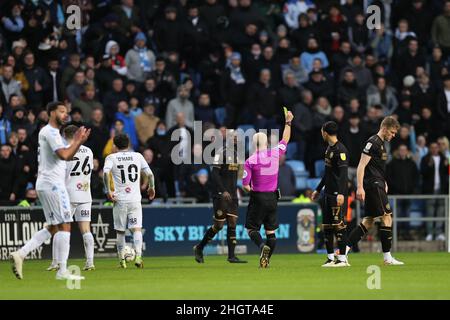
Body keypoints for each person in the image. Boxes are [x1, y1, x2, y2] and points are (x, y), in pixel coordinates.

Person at [10, 101, 91, 280]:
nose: (65, 114)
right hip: (54, 184)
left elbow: (64, 154)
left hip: (46, 183)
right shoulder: (51, 132)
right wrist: (78, 141)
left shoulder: (51, 134)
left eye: (66, 111)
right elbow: (65, 155)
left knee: (54, 226)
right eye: (61, 111)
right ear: (51, 112)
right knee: (66, 224)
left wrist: (77, 142)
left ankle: (21, 254)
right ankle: (62, 271)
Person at [346, 116, 404, 265]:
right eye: (391, 132)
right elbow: (361, 165)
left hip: (378, 183)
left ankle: (343, 250)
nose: (393, 135)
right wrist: (359, 186)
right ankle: (387, 258)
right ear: (384, 129)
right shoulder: (373, 142)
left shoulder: (382, 144)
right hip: (373, 185)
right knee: (387, 216)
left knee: (368, 221)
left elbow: (376, 167)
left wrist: (384, 181)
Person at [242, 110, 294, 268]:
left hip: (258, 197)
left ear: (253, 144)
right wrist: (288, 122)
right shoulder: (275, 154)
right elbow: (286, 138)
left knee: (252, 229)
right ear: (266, 143)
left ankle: (261, 247)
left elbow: (245, 186)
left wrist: (251, 190)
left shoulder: (250, 161)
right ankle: (266, 259)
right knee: (271, 232)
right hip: (273, 198)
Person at [47, 125, 95, 272]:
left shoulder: (65, 151)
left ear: (64, 135)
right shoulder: (88, 151)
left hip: (67, 194)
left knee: (58, 228)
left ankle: (56, 262)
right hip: (85, 194)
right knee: (86, 229)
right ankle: (90, 262)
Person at [103, 134, 155, 269]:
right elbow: (149, 174)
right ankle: (138, 256)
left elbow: (105, 173)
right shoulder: (137, 156)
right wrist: (151, 187)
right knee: (136, 229)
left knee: (120, 231)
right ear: (129, 144)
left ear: (114, 145)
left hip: (120, 200)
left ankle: (122, 261)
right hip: (135, 200)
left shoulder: (111, 157)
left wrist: (108, 190)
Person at [194, 130, 247, 264]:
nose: (236, 140)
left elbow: (237, 175)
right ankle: (200, 247)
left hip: (233, 195)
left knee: (233, 223)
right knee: (219, 225)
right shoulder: (220, 152)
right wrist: (223, 191)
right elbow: (215, 174)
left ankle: (231, 256)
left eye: (237, 138)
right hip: (221, 195)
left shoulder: (237, 154)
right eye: (233, 137)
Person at [311, 121, 350, 267]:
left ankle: (342, 259)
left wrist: (341, 193)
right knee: (327, 226)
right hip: (327, 193)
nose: (321, 133)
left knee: (339, 225)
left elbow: (343, 175)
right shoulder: (329, 149)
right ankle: (330, 258)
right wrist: (318, 189)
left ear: (325, 132)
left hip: (336, 194)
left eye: (322, 131)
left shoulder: (341, 150)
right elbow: (328, 173)